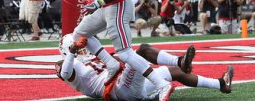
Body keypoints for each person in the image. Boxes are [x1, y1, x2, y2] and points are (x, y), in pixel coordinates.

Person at [55, 34, 233, 100]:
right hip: (117, 90)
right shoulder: (65, 63)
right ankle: (178, 62)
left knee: (174, 73)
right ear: (66, 50)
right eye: (80, 47)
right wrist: (72, 51)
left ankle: (220, 84)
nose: (83, 49)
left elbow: (117, 61)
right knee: (142, 51)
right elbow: (65, 72)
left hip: (125, 83)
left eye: (82, 46)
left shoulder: (91, 57)